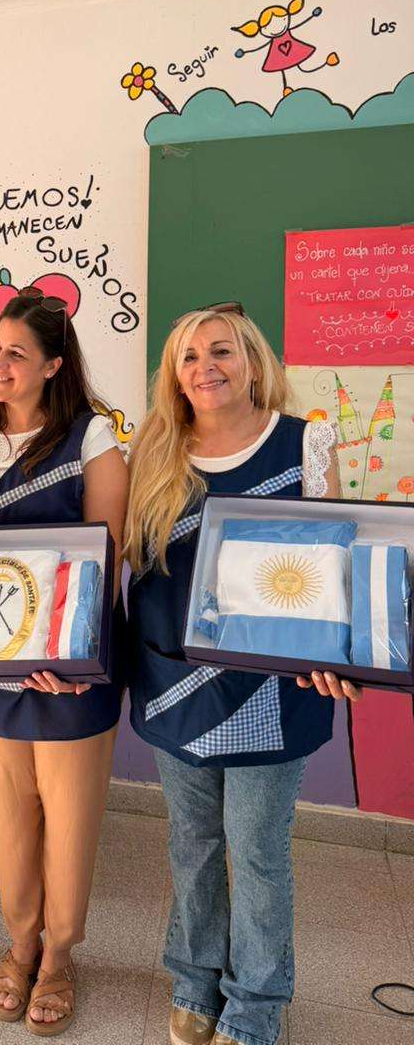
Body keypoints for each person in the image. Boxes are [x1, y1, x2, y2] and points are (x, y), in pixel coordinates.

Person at [124, 304, 360, 1045]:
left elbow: (335, 568)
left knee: (256, 851)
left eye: (222, 351)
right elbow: (126, 562)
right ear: (175, 375)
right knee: (193, 842)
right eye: (189, 357)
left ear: (254, 362)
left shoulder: (305, 443)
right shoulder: (153, 447)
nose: (206, 367)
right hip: (176, 684)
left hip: (273, 690)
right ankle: (194, 979)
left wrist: (337, 655)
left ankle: (255, 1003)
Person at [0, 290, 129, 1036]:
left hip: (71, 673)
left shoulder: (90, 438)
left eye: (17, 352)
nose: (0, 362)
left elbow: (107, 558)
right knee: (13, 814)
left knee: (69, 819)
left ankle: (59, 957)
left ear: (52, 365)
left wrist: (69, 658)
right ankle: (20, 944)